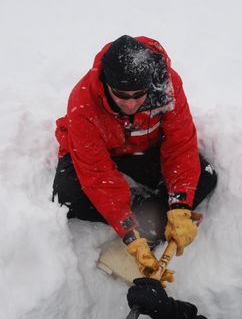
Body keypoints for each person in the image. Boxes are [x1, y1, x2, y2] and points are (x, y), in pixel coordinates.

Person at [52, 35, 217, 278]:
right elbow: (96, 173)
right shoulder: (83, 101)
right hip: (100, 153)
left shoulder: (168, 86)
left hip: (144, 149)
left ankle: (154, 214)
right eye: (121, 94)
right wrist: (130, 234)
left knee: (203, 176)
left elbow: (180, 145)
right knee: (65, 195)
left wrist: (180, 205)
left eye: (139, 94)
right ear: (107, 83)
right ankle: (146, 215)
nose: (130, 104)